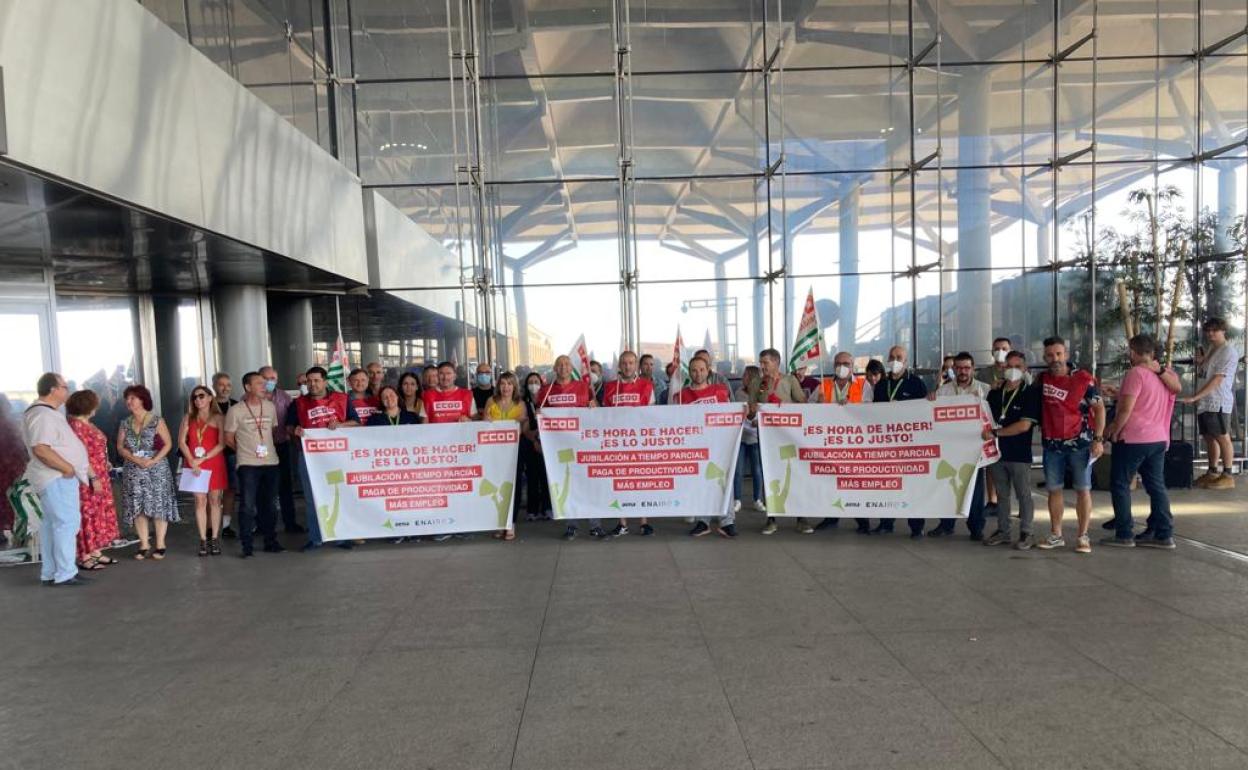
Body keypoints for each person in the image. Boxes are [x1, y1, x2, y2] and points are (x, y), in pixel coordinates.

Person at [1101, 334, 1181, 549]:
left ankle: (1124, 533)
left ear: (1133, 352)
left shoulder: (1135, 373)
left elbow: (1127, 409)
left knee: (1120, 484)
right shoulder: (1167, 375)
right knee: (1156, 486)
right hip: (1158, 438)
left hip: (1134, 437)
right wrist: (1119, 394)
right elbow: (1151, 397)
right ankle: (1164, 533)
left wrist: (1112, 429)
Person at [1035, 336, 1105, 554]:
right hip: (1052, 446)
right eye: (1050, 355)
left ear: (1065, 354)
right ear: (1044, 357)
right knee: (1053, 490)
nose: (1054, 358)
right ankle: (1056, 534)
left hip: (1081, 444)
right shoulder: (1042, 380)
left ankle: (1083, 536)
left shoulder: (1083, 379)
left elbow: (1100, 409)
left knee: (1083, 490)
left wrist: (1099, 438)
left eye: (1058, 354)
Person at [22, 373, 93, 585]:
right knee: (66, 522)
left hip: (56, 476)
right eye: (64, 386)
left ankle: (53, 572)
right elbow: (41, 449)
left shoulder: (47, 413)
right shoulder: (42, 415)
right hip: (56, 476)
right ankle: (65, 573)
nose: (67, 390)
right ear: (53, 389)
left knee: (53, 525)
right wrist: (67, 468)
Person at [288, 366, 358, 551]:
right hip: (310, 459)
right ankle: (316, 537)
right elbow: (289, 426)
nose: (312, 384)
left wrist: (341, 424)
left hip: (337, 457)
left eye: (316, 380)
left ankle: (342, 536)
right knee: (312, 498)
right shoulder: (298, 403)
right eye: (308, 381)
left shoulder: (342, 399)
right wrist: (294, 430)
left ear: (325, 381)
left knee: (338, 494)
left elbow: (356, 422)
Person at [537, 355, 602, 540]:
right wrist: (539, 414)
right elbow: (540, 415)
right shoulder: (545, 390)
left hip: (582, 445)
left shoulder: (583, 387)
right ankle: (571, 525)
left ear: (571, 367)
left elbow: (595, 410)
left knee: (589, 484)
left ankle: (595, 525)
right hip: (560, 447)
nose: (564, 367)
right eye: (560, 364)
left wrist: (594, 404)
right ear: (555, 368)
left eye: (566, 364)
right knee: (566, 484)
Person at [928, 351, 992, 540]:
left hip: (974, 448)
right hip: (950, 449)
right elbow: (930, 415)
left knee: (976, 489)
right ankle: (946, 525)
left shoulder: (985, 389)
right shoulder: (943, 391)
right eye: (959, 368)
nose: (963, 371)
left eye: (966, 367)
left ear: (973, 369)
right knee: (948, 486)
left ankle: (976, 528)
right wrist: (930, 399)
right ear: (953, 369)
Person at [983, 351, 1041, 549]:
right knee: (1002, 494)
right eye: (1009, 366)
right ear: (1003, 368)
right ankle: (1003, 531)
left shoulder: (1030, 393)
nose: (1012, 370)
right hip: (997, 453)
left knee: (1023, 494)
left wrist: (996, 433)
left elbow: (1024, 426)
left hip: (1019, 454)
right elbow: (985, 417)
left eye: (1017, 366)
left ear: (1024, 369)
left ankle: (1027, 532)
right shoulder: (995, 392)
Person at [750, 348, 810, 535]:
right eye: (761, 362)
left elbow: (802, 404)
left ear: (776, 362)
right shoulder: (758, 383)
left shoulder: (790, 381)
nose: (762, 366)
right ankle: (771, 518)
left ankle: (801, 518)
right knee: (771, 476)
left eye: (765, 362)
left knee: (794, 473)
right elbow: (752, 409)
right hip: (768, 438)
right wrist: (756, 408)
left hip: (789, 436)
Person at [224, 372, 283, 558]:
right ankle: (247, 545)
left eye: (264, 383)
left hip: (271, 462)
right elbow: (228, 438)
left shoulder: (270, 407)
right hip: (248, 464)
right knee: (248, 506)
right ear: (248, 387)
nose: (264, 386)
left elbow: (272, 431)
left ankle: (270, 541)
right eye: (259, 383)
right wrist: (245, 450)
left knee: (271, 505)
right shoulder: (236, 410)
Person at [871, 346, 928, 537]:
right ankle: (886, 523)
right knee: (887, 485)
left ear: (906, 361)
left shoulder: (916, 384)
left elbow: (924, 413)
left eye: (899, 358)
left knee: (912, 486)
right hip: (886, 444)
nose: (895, 361)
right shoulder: (881, 385)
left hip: (909, 445)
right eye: (892, 357)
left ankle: (916, 527)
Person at [117, 384, 178, 560]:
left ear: (142, 400)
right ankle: (144, 543)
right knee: (138, 507)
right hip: (134, 468)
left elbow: (168, 444)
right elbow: (120, 447)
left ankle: (160, 543)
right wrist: (135, 459)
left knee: (158, 505)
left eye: (132, 398)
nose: (129, 401)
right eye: (127, 398)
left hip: (156, 468)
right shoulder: (125, 423)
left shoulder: (156, 420)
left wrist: (152, 461)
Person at [814, 351, 873, 533]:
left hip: (854, 441)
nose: (842, 367)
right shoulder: (823, 385)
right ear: (833, 366)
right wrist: (818, 403)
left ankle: (862, 520)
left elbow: (870, 409)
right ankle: (831, 517)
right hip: (830, 442)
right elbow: (808, 410)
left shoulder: (863, 384)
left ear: (853, 365)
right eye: (838, 363)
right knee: (831, 481)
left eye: (846, 363)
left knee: (855, 482)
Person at [601, 351, 659, 537]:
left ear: (636, 365)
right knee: (620, 482)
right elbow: (603, 416)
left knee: (641, 482)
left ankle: (644, 522)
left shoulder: (647, 386)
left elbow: (652, 415)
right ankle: (622, 523)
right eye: (624, 363)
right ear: (620, 365)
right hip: (617, 443)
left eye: (631, 363)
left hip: (640, 442)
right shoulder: (610, 387)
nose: (627, 366)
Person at [680, 357, 738, 537]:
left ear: (708, 370)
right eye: (694, 370)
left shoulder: (720, 391)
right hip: (697, 447)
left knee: (724, 481)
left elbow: (732, 414)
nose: (698, 374)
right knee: (700, 483)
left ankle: (727, 521)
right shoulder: (682, 395)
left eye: (702, 370)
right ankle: (702, 521)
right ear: (689, 372)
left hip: (721, 443)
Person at [65, 389, 120, 572]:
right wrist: (93, 476)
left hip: (99, 473)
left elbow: (96, 449)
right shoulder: (76, 426)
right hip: (88, 477)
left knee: (97, 513)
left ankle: (95, 550)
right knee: (87, 514)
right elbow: (80, 456)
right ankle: (84, 555)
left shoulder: (85, 423)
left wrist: (106, 463)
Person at [1182, 317, 1240, 489]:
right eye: (1208, 331)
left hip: (1218, 400)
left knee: (1222, 437)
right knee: (1209, 437)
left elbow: (1217, 379)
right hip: (1205, 401)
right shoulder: (1211, 349)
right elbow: (1206, 373)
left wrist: (1194, 396)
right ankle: (1212, 471)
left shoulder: (1228, 351)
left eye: (1214, 330)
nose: (1210, 334)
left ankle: (1228, 474)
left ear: (1223, 331)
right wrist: (1200, 362)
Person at [177, 385, 227, 556]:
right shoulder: (188, 418)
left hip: (213, 462)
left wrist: (202, 459)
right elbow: (181, 442)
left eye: (201, 396)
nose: (198, 399)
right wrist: (192, 460)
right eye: (195, 397)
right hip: (194, 464)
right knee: (199, 501)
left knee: (215, 500)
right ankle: (202, 540)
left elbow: (222, 443)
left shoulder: (219, 418)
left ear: (210, 398)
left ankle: (214, 538)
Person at [483, 372, 527, 541]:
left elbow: (523, 428)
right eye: (502, 383)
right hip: (493, 452)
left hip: (513, 452)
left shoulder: (520, 404)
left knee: (512, 488)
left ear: (514, 386)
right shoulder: (491, 402)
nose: (506, 387)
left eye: (509, 383)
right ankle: (500, 523)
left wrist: (520, 423)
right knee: (496, 487)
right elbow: (485, 424)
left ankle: (511, 523)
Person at [261, 365, 303, 535]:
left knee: (285, 487)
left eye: (273, 378)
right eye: (266, 378)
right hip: (261, 449)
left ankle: (290, 523)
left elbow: (293, 418)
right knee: (263, 487)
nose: (270, 382)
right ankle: (263, 524)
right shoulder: (249, 398)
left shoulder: (284, 397)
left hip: (281, 446)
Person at [734, 366, 764, 527]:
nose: (742, 377)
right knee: (738, 470)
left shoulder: (761, 394)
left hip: (756, 436)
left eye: (745, 375)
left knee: (757, 470)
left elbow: (764, 412)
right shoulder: (739, 393)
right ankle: (737, 499)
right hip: (741, 435)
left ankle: (757, 499)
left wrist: (756, 422)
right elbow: (736, 413)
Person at [211, 372, 239, 538]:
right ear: (214, 386)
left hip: (231, 453)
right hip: (211, 455)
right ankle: (210, 526)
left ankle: (226, 526)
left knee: (230, 489)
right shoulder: (206, 405)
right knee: (212, 492)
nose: (225, 388)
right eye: (221, 384)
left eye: (228, 385)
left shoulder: (236, 405)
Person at [521, 371, 551, 521]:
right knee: (532, 476)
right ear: (526, 386)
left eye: (536, 381)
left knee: (546, 477)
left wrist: (541, 438)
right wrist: (534, 439)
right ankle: (532, 510)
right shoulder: (523, 402)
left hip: (546, 444)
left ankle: (547, 508)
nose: (534, 385)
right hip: (530, 443)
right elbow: (523, 426)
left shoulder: (547, 400)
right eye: (530, 382)